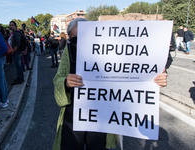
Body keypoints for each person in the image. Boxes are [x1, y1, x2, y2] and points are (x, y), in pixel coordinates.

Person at [52, 18, 168, 150]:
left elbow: (132, 75)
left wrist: (153, 80)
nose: (82, 43)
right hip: (73, 115)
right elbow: (58, 79)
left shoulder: (113, 52)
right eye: (75, 40)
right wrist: (65, 82)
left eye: (86, 37)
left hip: (101, 118)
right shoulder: (69, 51)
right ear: (70, 39)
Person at [0, 19, 8, 111]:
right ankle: (4, 99)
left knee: (0, 80)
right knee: (2, 79)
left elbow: (4, 48)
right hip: (0, 58)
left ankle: (3, 101)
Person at [9, 21, 24, 85]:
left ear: (15, 26)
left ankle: (19, 78)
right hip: (16, 52)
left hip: (16, 52)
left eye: (12, 25)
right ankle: (20, 77)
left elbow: (18, 43)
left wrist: (13, 51)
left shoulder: (16, 33)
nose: (11, 26)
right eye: (10, 25)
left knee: (18, 66)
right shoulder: (14, 33)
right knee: (18, 66)